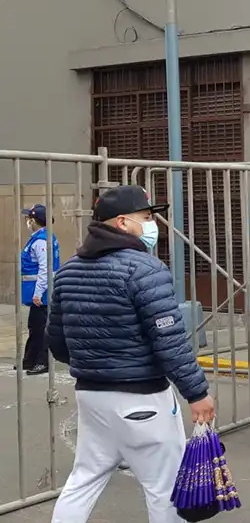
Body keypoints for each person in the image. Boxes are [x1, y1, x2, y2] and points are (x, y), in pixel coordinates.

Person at [47, 185, 215, 521]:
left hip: (91, 396)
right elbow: (170, 340)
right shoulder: (144, 269)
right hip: (141, 399)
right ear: (123, 222)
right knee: (164, 487)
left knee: (84, 479)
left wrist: (94, 361)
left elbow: (57, 342)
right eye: (147, 217)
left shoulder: (69, 269)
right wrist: (197, 393)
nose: (152, 224)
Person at [19, 204, 60, 375]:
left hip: (41, 293)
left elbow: (45, 269)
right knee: (35, 327)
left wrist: (38, 293)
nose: (27, 221)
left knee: (41, 328)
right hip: (38, 292)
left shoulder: (42, 241)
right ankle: (30, 360)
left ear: (35, 220)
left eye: (29, 218)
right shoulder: (39, 237)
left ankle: (42, 362)